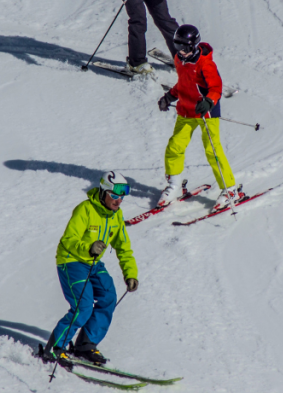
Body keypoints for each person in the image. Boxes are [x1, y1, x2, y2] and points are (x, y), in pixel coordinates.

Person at [45, 171, 139, 366]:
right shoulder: (85, 210)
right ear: (103, 191)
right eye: (114, 195)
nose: (118, 201)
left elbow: (123, 247)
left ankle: (85, 344)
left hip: (93, 263)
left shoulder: (116, 215)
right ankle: (56, 347)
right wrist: (88, 248)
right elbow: (68, 240)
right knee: (83, 306)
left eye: (122, 197)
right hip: (71, 261)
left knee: (108, 297)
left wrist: (130, 274)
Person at [157, 25, 245, 210]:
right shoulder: (179, 59)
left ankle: (230, 189)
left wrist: (209, 101)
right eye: (177, 46)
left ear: (194, 46)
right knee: (174, 146)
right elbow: (183, 83)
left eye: (185, 47)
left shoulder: (205, 64)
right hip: (186, 111)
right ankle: (174, 186)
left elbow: (216, 88)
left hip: (206, 111)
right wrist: (169, 97)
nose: (181, 51)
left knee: (212, 150)